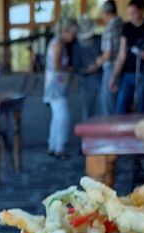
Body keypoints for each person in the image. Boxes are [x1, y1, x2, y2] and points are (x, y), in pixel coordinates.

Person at [110, 0, 144, 114]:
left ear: (142, 11)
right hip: (128, 73)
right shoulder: (126, 28)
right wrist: (114, 77)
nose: (131, 16)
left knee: (142, 105)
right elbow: (122, 55)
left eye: (134, 13)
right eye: (129, 13)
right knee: (121, 104)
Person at [43, 17, 78, 158]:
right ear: (65, 31)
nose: (74, 36)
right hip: (56, 86)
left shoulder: (58, 43)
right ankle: (59, 148)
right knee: (63, 117)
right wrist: (70, 68)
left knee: (57, 118)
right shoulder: (58, 44)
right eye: (73, 33)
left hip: (56, 85)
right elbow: (57, 66)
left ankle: (53, 145)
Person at [89, 1, 123, 115]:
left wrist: (98, 62)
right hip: (122, 68)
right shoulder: (122, 24)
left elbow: (108, 53)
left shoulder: (110, 27)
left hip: (111, 68)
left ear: (106, 12)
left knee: (107, 104)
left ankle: (108, 132)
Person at [72, 15, 102, 120]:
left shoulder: (99, 40)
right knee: (88, 114)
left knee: (103, 113)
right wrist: (87, 70)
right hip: (86, 83)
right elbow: (76, 67)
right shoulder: (76, 46)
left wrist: (100, 62)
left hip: (102, 80)